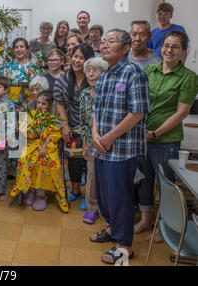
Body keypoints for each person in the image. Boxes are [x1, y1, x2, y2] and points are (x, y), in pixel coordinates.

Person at [90, 29, 150, 265]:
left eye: (110, 42)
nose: (104, 45)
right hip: (101, 147)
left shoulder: (133, 73)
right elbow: (97, 110)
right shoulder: (105, 75)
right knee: (104, 197)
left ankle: (124, 245)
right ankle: (112, 230)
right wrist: (95, 134)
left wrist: (110, 137)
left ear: (125, 49)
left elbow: (137, 113)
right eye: (103, 42)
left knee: (120, 198)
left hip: (122, 150)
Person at [136, 31, 198, 243]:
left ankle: (164, 227)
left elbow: (181, 112)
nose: (169, 50)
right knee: (145, 181)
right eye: (166, 45)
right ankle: (145, 219)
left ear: (184, 51)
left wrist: (154, 133)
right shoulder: (150, 71)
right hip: (143, 137)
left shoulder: (189, 77)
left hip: (165, 140)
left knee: (165, 185)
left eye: (175, 47)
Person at [10, 91, 69, 213]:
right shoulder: (30, 115)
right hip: (32, 145)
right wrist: (28, 131)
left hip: (48, 146)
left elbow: (53, 135)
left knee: (49, 163)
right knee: (25, 159)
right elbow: (26, 133)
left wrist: (44, 147)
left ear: (50, 106)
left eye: (43, 103)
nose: (40, 106)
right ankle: (30, 189)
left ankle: (41, 194)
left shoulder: (53, 118)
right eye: (38, 103)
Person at [53, 44, 94, 208]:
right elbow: (60, 104)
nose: (77, 60)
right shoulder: (63, 79)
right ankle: (76, 191)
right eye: (75, 56)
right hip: (72, 125)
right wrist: (65, 126)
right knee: (74, 161)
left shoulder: (93, 77)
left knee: (90, 162)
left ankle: (89, 195)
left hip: (92, 127)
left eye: (81, 57)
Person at [80, 56, 109, 224]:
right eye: (88, 71)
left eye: (95, 70)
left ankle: (109, 210)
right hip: (91, 141)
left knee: (109, 176)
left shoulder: (108, 92)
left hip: (110, 140)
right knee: (92, 175)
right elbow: (84, 122)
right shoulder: (84, 94)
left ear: (104, 72)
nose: (91, 74)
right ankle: (92, 208)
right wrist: (85, 144)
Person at [0, 38, 43, 107]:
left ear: (27, 49)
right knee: (9, 117)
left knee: (25, 118)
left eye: (21, 47)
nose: (19, 49)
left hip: (29, 102)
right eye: (16, 47)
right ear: (13, 50)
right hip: (9, 102)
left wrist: (32, 102)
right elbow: (1, 86)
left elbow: (40, 87)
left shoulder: (34, 68)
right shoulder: (6, 67)